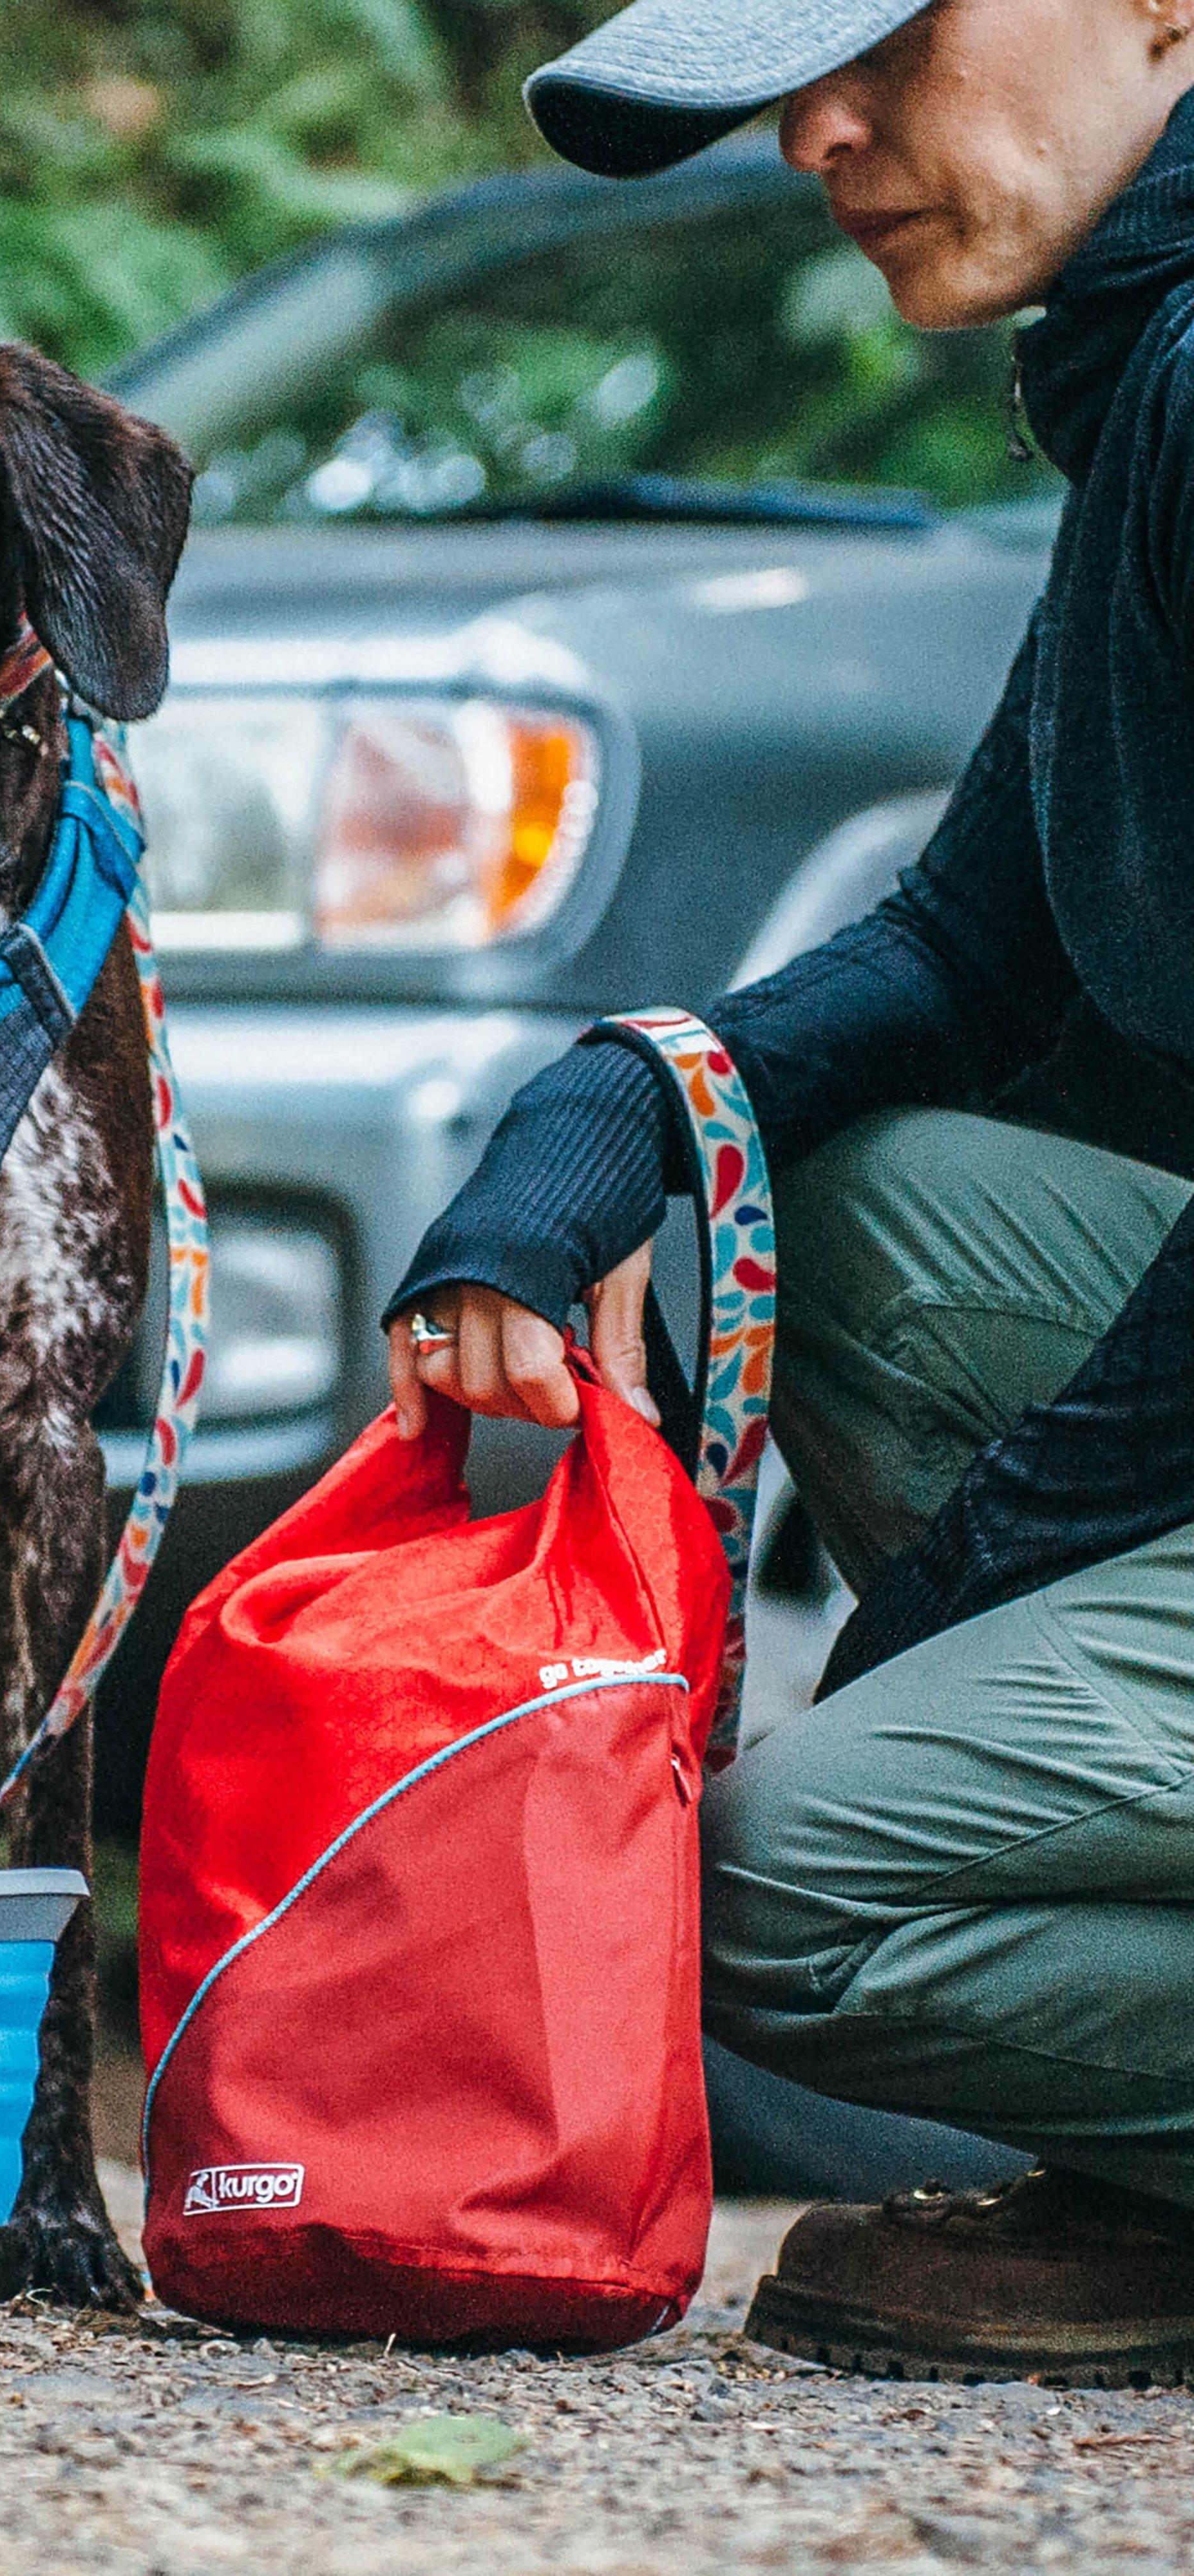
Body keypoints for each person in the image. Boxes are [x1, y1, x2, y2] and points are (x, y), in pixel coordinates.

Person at [394, 0, 1194, 2381]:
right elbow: (965, 946)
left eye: (893, 41)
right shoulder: (1143, 374)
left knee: (761, 1888)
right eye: (784, 77)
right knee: (847, 1211)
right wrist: (600, 1131)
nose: (819, 134)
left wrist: (954, 1599)